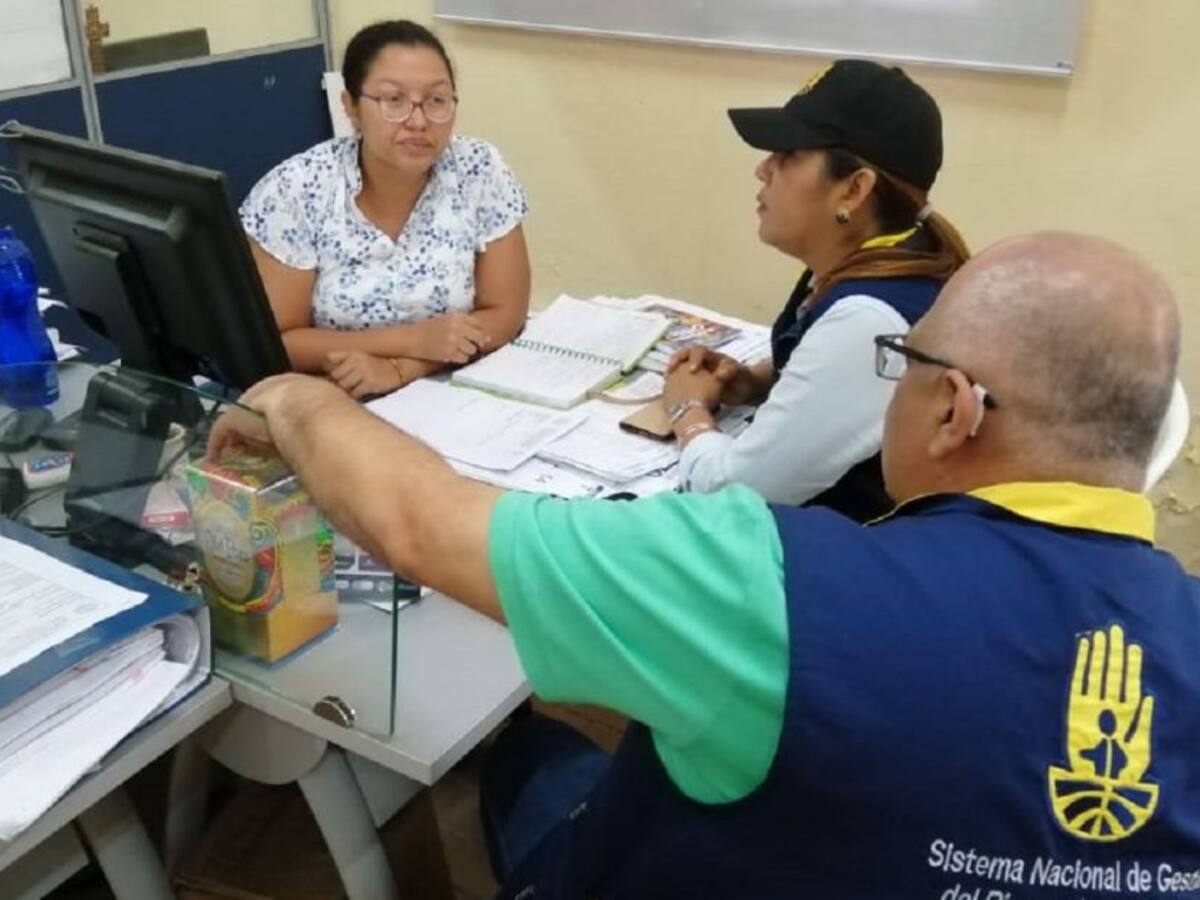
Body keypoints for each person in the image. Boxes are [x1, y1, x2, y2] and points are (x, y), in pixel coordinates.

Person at [208, 232, 1200, 899]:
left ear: (959, 411)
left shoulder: (769, 582)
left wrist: (289, 400)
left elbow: (420, 524)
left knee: (526, 755)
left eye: (906, 368)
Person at [662, 59, 969, 519]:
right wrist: (757, 383)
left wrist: (686, 409)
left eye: (788, 156)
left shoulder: (870, 318)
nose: (763, 171)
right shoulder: (887, 258)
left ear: (853, 190)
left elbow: (730, 498)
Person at [239, 20, 531, 398]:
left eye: (437, 100)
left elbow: (505, 313)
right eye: (393, 100)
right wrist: (411, 340)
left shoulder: (480, 169)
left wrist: (402, 368)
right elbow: (279, 342)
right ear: (352, 108)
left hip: (455, 391)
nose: (419, 121)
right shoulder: (297, 189)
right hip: (334, 395)